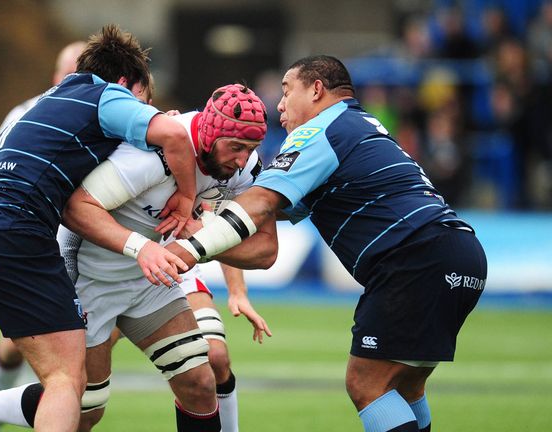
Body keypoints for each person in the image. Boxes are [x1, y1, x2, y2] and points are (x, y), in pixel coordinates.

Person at [0, 24, 198, 432]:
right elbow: (172, 134)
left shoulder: (41, 103)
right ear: (125, 83)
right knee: (65, 380)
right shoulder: (106, 94)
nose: (141, 116)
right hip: (14, 233)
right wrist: (186, 198)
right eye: (143, 102)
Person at [163, 56, 487, 432]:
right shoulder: (359, 126)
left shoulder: (320, 130)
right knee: (406, 386)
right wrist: (207, 200)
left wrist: (188, 248)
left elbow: (261, 202)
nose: (279, 105)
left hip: (416, 256)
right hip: (460, 253)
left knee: (366, 382)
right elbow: (273, 209)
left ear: (316, 90)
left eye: (286, 91)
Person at [0, 84, 275, 432]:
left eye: (250, 149)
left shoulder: (244, 168)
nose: (240, 160)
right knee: (85, 408)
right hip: (92, 281)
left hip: (150, 282)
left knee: (201, 383)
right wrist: (141, 247)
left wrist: (198, 241)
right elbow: (76, 209)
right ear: (208, 131)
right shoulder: (150, 155)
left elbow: (265, 249)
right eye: (236, 147)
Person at [0, 40, 87, 404]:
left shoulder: (107, 111)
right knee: (27, 346)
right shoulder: (25, 113)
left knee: (74, 360)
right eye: (72, 72)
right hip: (39, 239)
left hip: (90, 240)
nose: (81, 79)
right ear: (56, 77)